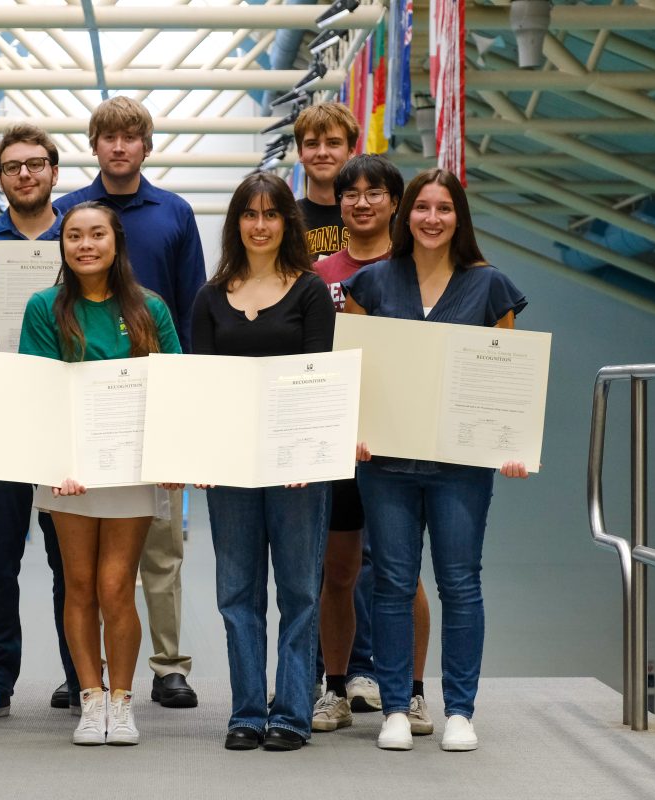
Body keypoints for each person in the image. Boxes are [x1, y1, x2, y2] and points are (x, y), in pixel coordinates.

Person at [342, 168, 530, 753]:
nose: (431, 218)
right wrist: (352, 430)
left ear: (459, 218)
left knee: (460, 583)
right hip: (387, 464)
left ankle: (461, 712)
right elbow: (350, 367)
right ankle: (397, 707)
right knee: (393, 584)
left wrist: (512, 441)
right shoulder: (370, 284)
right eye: (421, 207)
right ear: (406, 216)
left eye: (443, 209)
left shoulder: (490, 286)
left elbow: (508, 375)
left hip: (460, 468)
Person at [55, 96, 205, 709]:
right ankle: (84, 677)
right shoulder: (67, 209)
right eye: (108, 137)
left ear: (146, 145)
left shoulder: (174, 213)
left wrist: (182, 421)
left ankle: (168, 666)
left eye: (131, 137)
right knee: (82, 572)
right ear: (94, 145)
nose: (119, 146)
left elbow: (191, 310)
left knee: (161, 552)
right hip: (80, 424)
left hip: (150, 412)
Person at [18, 202, 182, 746]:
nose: (85, 245)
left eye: (96, 235)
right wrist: (55, 462)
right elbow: (37, 390)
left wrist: (174, 456)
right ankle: (91, 699)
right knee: (80, 585)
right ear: (61, 246)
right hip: (69, 472)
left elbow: (174, 386)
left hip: (131, 470)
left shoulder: (149, 308)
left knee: (117, 587)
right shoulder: (45, 307)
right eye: (73, 236)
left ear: (116, 244)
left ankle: (123, 700)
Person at [191, 172, 335, 752]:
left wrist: (303, 451)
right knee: (237, 592)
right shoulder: (209, 296)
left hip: (296, 467)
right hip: (230, 468)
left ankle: (294, 713)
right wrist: (198, 452)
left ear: (286, 223)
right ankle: (248, 711)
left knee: (300, 591)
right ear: (236, 224)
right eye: (249, 214)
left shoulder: (310, 292)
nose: (259, 224)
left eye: (271, 214)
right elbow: (200, 386)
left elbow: (316, 380)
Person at [311, 155, 433, 738]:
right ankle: (333, 689)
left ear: (394, 201)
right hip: (337, 441)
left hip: (400, 444)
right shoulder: (317, 273)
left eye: (374, 193)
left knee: (401, 574)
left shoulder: (417, 269)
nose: (361, 203)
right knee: (338, 572)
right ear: (338, 204)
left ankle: (409, 693)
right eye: (350, 194)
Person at [0, 124, 78, 721]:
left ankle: (81, 676)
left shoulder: (84, 235)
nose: (25, 175)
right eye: (13, 167)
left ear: (55, 172)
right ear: (0, 177)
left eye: (36, 164)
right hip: (3, 416)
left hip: (68, 419)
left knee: (70, 558)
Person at [293, 102, 359, 261]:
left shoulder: (372, 216)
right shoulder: (285, 219)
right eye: (312, 144)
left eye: (333, 143)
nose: (322, 153)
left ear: (351, 151)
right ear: (300, 153)